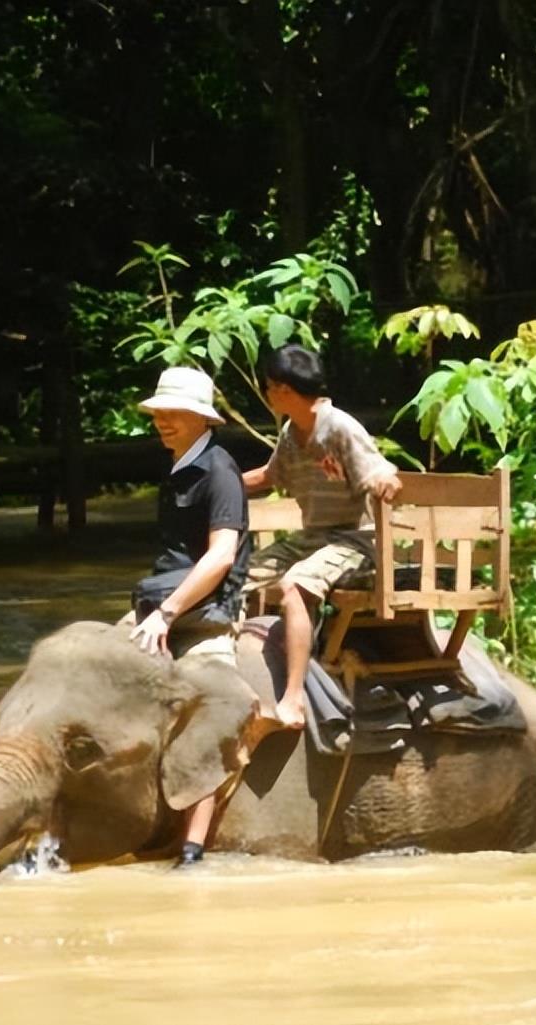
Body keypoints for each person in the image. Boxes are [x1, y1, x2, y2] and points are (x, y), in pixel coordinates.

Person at [128, 365, 254, 866]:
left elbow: (221, 555)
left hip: (205, 615)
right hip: (161, 607)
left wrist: (168, 613)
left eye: (176, 413)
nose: (164, 421)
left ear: (204, 420)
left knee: (210, 710)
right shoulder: (179, 463)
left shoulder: (220, 472)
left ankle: (193, 848)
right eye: (160, 412)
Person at [242, 345, 402, 728]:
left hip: (355, 541)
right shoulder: (290, 433)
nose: (267, 394)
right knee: (240, 575)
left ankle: (293, 698)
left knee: (295, 585)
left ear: (282, 389)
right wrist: (217, 483)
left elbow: (380, 469)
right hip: (314, 537)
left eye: (269, 387)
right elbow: (269, 476)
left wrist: (386, 480)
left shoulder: (340, 427)